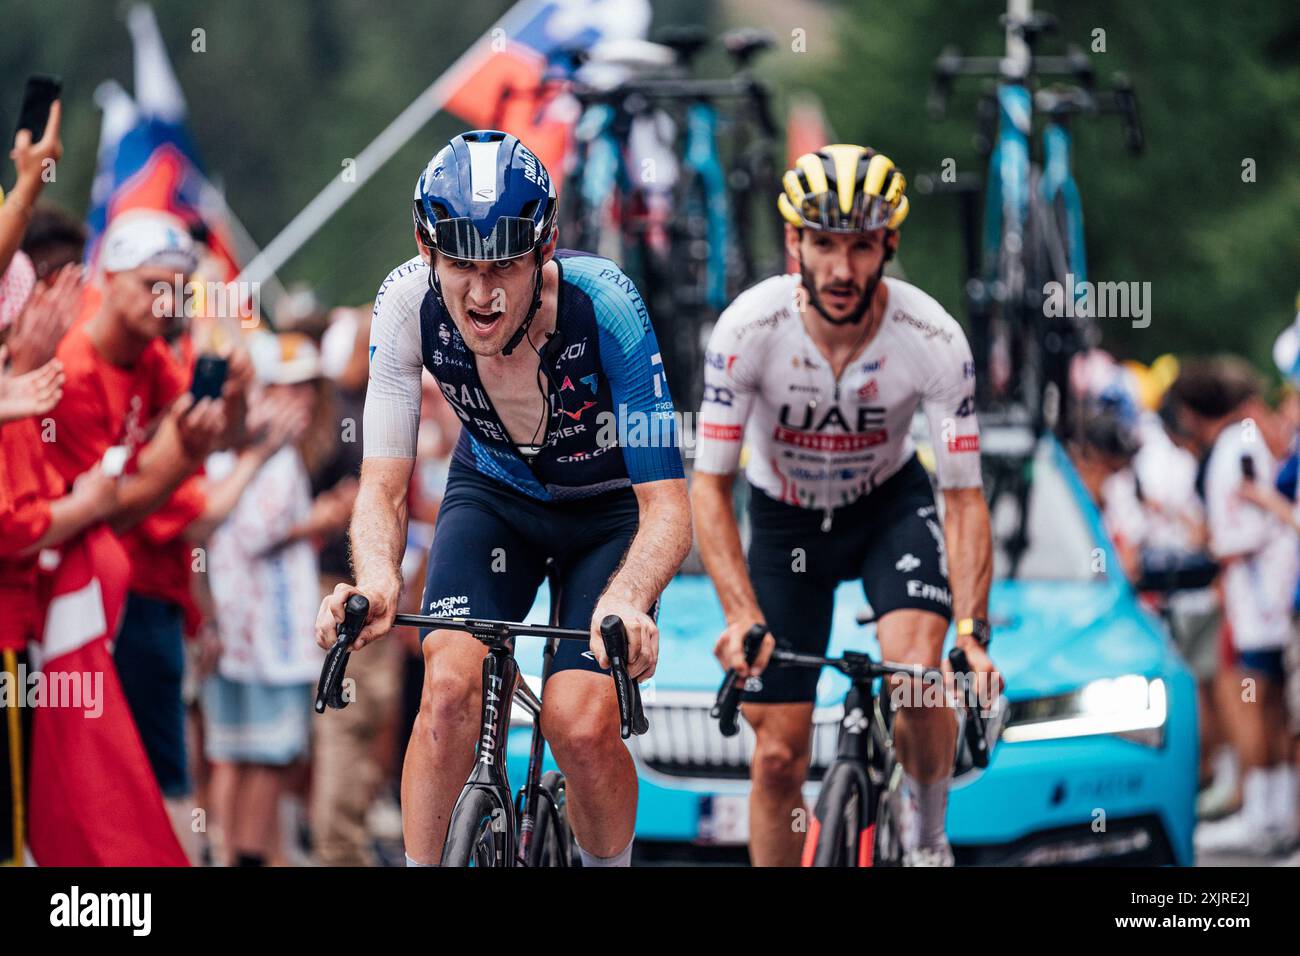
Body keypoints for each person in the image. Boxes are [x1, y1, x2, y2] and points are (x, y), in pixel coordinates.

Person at [314, 130, 691, 868]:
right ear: (424, 247)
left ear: (544, 248)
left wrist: (631, 598)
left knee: (577, 725)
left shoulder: (607, 306)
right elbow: (383, 489)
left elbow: (668, 507)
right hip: (494, 496)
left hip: (608, 513)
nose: (482, 292)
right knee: (447, 689)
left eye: (505, 264)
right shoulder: (403, 305)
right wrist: (379, 579)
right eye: (460, 262)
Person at [691, 144, 999, 867]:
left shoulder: (933, 338)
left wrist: (972, 630)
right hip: (783, 520)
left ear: (888, 243)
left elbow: (962, 496)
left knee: (918, 677)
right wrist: (739, 615)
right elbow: (709, 485)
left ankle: (926, 839)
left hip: (884, 510)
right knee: (776, 757)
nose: (840, 269)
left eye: (860, 246)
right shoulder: (747, 330)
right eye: (822, 244)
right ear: (793, 241)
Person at [201, 332, 328, 867]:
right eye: (285, 387)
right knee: (262, 754)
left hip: (249, 628)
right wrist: (319, 520)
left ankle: (234, 853)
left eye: (306, 389)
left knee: (243, 751)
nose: (297, 401)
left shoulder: (251, 444)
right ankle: (240, 856)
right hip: (259, 633)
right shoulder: (263, 449)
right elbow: (248, 530)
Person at [1173, 359, 1298, 853]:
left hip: (1262, 600)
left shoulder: (1233, 448)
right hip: (1264, 597)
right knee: (1267, 708)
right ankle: (1272, 815)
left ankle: (1268, 818)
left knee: (1258, 706)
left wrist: (1210, 545)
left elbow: (1241, 531)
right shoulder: (1241, 442)